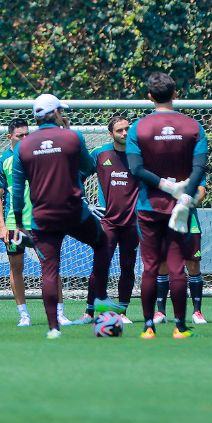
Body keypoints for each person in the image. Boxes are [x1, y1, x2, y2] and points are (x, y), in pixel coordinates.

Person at [11, 94, 121, 338]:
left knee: (49, 270)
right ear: (57, 113)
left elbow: (17, 190)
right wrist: (69, 134)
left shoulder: (23, 146)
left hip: (42, 217)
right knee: (103, 243)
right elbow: (89, 167)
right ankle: (101, 301)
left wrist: (19, 222)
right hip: (74, 212)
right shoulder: (72, 137)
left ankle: (53, 329)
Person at [126, 72, 208, 339]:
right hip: (180, 207)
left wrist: (164, 185)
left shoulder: (138, 127)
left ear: (149, 96)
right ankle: (180, 327)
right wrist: (183, 194)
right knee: (176, 266)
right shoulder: (193, 126)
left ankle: (148, 327)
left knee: (150, 266)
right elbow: (199, 169)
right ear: (175, 94)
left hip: (149, 206)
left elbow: (136, 169)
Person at [0, 118, 69, 327]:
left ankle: (59, 313)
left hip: (41, 220)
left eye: (27, 134)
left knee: (51, 267)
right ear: (10, 137)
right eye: (20, 135)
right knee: (16, 267)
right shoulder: (1, 161)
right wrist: (1, 226)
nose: (25, 138)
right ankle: (24, 315)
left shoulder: (39, 154)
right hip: (14, 224)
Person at [83, 116, 140, 324]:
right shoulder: (100, 153)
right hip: (107, 222)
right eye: (119, 130)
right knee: (100, 267)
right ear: (111, 134)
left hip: (132, 223)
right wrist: (85, 202)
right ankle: (89, 312)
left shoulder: (139, 154)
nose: (124, 133)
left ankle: (122, 312)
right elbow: (78, 175)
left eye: (127, 129)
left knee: (128, 267)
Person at [153, 181, 208, 324]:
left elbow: (201, 191)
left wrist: (186, 203)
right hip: (164, 220)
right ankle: (160, 312)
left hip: (190, 219)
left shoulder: (193, 164)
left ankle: (197, 312)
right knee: (163, 263)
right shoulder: (160, 163)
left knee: (193, 265)